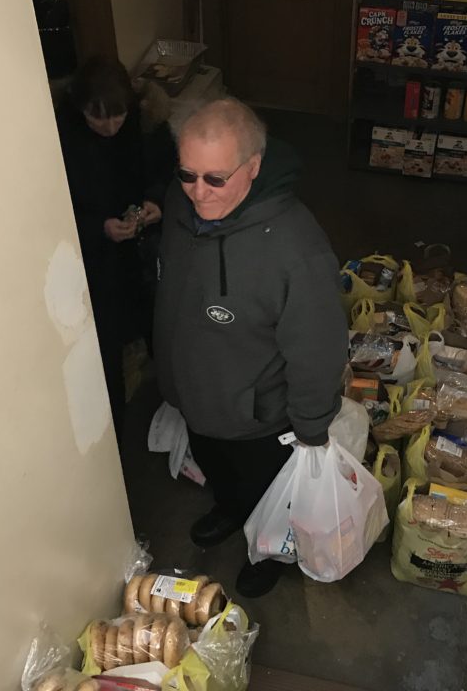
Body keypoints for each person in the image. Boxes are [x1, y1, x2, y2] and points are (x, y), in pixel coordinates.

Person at [154, 98, 348, 597]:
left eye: (215, 179)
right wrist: (172, 383)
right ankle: (229, 509)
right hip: (198, 400)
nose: (198, 193)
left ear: (254, 167)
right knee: (220, 474)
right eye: (187, 174)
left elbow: (318, 347)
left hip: (261, 417)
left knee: (269, 494)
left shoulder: (295, 249)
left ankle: (270, 551)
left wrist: (311, 426)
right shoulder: (179, 208)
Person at [57, 56, 176, 436]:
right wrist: (99, 228)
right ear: (79, 108)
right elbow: (55, 206)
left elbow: (168, 173)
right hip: (97, 260)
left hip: (144, 252)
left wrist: (156, 202)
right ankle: (114, 438)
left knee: (164, 328)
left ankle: (182, 407)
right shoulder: (61, 137)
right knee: (105, 344)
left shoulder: (148, 125)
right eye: (97, 116)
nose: (108, 126)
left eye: (116, 116)